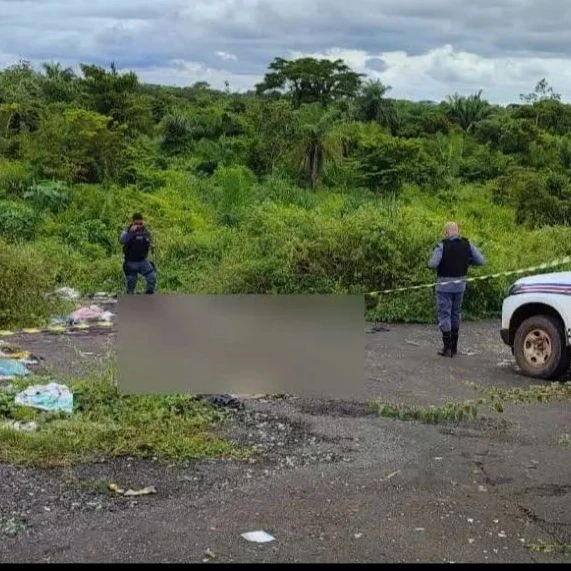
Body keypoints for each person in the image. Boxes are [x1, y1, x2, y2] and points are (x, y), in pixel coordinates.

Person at [428, 222, 485, 357]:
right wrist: (466, 261)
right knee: (456, 313)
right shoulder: (467, 244)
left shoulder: (442, 245)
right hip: (460, 285)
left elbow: (432, 264)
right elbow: (481, 261)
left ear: (446, 232)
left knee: (445, 315)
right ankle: (454, 348)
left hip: (444, 286)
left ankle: (447, 349)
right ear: (458, 231)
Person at [119, 213, 156, 295]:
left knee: (152, 277)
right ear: (132, 222)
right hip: (131, 262)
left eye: (140, 224)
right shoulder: (126, 231)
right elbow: (122, 241)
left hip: (143, 261)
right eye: (136, 224)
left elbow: (150, 240)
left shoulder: (145, 231)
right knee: (131, 284)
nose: (138, 226)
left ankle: (148, 297)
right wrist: (131, 233)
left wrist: (152, 245)